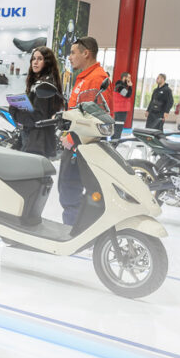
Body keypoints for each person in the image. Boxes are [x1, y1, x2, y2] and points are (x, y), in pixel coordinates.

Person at [59, 36, 111, 226]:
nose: (70, 57)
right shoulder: (85, 77)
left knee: (70, 189)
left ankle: (75, 230)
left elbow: (96, 117)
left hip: (81, 144)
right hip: (76, 142)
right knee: (69, 189)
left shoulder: (96, 78)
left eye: (73, 53)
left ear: (86, 53)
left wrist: (73, 138)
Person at [12, 46, 64, 157]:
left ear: (47, 62)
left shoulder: (43, 86)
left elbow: (38, 118)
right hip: (35, 137)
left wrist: (15, 112)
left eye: (40, 59)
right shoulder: (39, 82)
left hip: (36, 140)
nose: (35, 62)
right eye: (33, 59)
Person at [112, 72, 134, 139]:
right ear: (124, 78)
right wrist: (130, 86)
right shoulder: (120, 86)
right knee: (118, 127)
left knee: (117, 127)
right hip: (120, 110)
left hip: (120, 110)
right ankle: (115, 141)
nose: (130, 79)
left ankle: (114, 141)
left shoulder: (121, 86)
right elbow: (127, 94)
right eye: (129, 77)